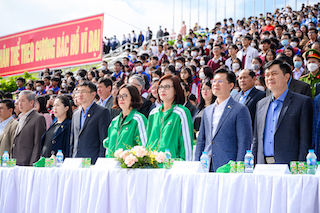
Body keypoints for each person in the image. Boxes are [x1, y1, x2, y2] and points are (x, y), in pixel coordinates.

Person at [252, 60, 313, 164]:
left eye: (274, 74)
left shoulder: (302, 102)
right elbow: (256, 139)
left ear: (286, 77)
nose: (269, 78)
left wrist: (301, 166)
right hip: (263, 166)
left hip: (289, 166)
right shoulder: (261, 104)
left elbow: (305, 140)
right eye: (267, 75)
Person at [195, 68, 252, 171]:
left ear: (231, 85)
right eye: (214, 81)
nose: (215, 84)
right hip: (206, 166)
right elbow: (201, 141)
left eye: (220, 81)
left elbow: (244, 142)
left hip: (228, 167)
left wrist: (239, 168)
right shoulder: (207, 110)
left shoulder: (240, 109)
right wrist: (196, 164)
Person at [146, 74, 194, 161]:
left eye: (167, 87)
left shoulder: (181, 113)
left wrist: (185, 167)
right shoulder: (153, 113)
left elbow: (186, 145)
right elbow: (148, 142)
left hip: (172, 167)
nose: (162, 90)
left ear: (176, 90)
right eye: (160, 87)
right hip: (152, 167)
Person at [70, 81, 111, 164]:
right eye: (78, 92)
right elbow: (73, 140)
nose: (80, 94)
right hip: (76, 161)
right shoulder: (75, 114)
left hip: (93, 162)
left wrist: (100, 163)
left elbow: (104, 140)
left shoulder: (102, 112)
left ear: (93, 94)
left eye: (83, 92)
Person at [103, 84, 147, 157]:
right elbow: (108, 145)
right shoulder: (114, 121)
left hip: (129, 167)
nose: (121, 99)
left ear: (133, 98)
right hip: (112, 166)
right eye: (119, 96)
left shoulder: (138, 119)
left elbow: (144, 146)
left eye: (124, 96)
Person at [13, 90, 46, 166]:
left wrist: (33, 163)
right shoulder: (20, 117)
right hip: (16, 161)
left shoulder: (38, 118)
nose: (20, 104)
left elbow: (38, 143)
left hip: (28, 162)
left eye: (23, 101)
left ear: (31, 102)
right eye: (19, 101)